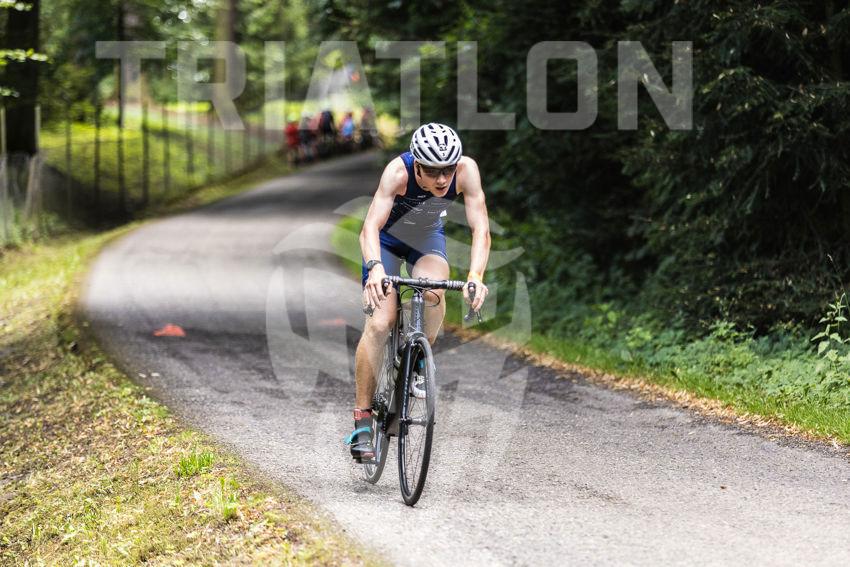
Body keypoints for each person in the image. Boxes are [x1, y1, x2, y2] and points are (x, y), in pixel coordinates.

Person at [347, 123, 491, 462]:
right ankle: (362, 422)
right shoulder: (397, 172)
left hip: (426, 240)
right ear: (417, 167)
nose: (442, 180)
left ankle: (414, 360)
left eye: (447, 170)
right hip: (385, 242)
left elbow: (481, 228)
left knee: (433, 290)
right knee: (381, 323)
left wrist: (475, 275)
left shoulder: (466, 171)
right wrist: (375, 267)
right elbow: (370, 227)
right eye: (433, 171)